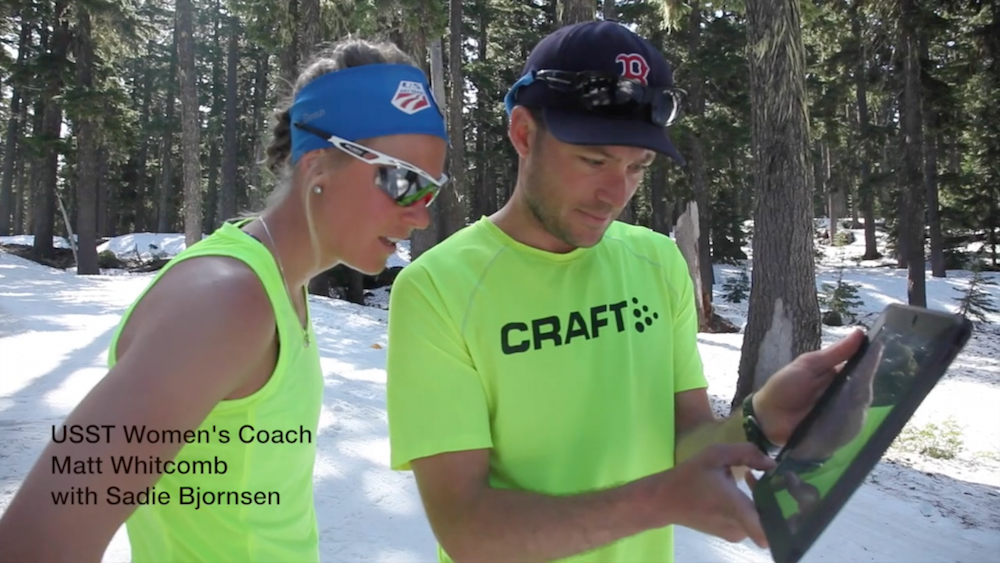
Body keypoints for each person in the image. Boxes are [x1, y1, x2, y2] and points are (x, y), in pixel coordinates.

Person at [384, 20, 866, 563]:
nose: (616, 193)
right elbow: (466, 528)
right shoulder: (438, 288)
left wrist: (767, 415)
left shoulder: (656, 262)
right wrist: (660, 502)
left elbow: (692, 453)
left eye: (638, 167)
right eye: (593, 161)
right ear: (523, 133)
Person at [0, 37, 448, 563]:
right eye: (403, 181)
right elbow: (39, 540)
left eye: (431, 190)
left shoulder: (276, 287)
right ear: (319, 164)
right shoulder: (225, 301)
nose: (420, 215)